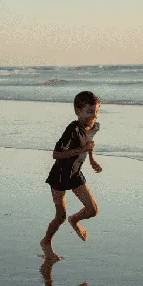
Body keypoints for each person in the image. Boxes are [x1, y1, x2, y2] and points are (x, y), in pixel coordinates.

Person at [40, 91, 102, 261]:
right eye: (89, 111)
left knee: (93, 210)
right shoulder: (72, 129)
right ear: (78, 111)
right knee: (60, 216)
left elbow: (89, 144)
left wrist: (92, 160)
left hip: (75, 173)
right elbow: (56, 154)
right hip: (59, 175)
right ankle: (46, 242)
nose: (94, 116)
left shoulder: (95, 126)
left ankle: (74, 220)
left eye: (96, 111)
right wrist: (81, 150)